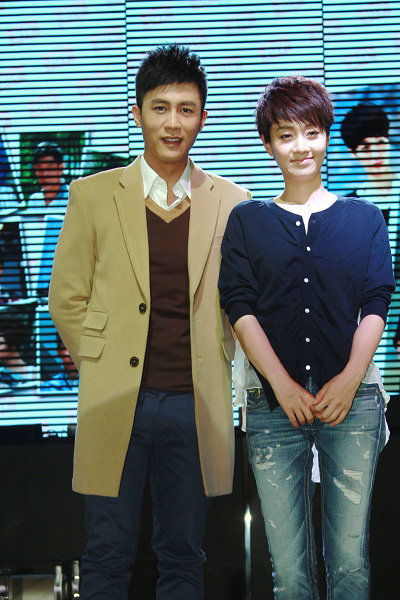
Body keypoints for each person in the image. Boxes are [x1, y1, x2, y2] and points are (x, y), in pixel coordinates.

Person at [49, 44, 250, 600]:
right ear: (137, 113)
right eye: (160, 108)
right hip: (117, 399)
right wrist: (100, 362)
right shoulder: (93, 195)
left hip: (194, 402)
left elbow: (241, 304)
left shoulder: (233, 202)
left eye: (186, 109)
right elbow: (66, 296)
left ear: (203, 118)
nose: (173, 122)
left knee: (184, 554)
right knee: (107, 553)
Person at [219, 76, 394, 599]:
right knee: (290, 572)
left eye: (312, 132)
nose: (301, 147)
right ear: (268, 143)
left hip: (353, 405)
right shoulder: (247, 222)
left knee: (350, 563)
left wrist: (349, 380)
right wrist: (282, 385)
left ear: (326, 135)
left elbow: (376, 303)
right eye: (286, 135)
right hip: (273, 407)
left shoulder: (365, 219)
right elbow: (239, 307)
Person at [28, 141, 68, 213]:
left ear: (60, 168)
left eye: (49, 168)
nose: (44, 174)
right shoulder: (34, 201)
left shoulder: (75, 198)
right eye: (40, 168)